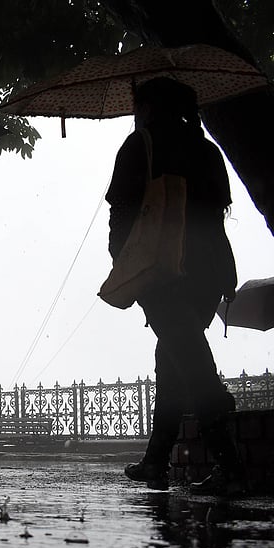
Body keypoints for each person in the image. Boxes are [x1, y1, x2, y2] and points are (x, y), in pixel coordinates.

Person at [108, 78, 242, 494]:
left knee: (192, 362)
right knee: (172, 359)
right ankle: (156, 460)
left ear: (147, 107)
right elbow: (218, 215)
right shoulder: (207, 150)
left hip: (162, 272)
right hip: (209, 275)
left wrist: (124, 265)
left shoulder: (140, 145)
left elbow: (121, 215)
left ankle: (231, 467)